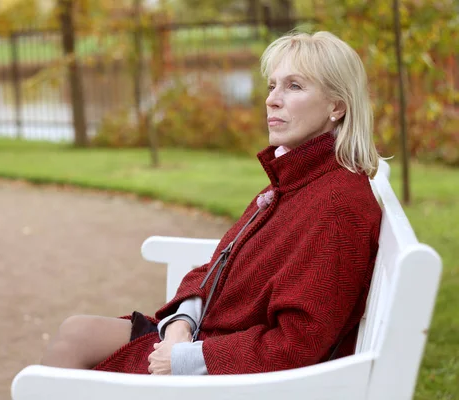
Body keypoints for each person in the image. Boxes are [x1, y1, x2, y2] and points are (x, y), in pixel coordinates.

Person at [40, 30, 382, 375]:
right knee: (76, 332)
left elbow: (296, 345)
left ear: (336, 106)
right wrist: (180, 326)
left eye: (294, 86)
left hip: (226, 374)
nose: (272, 99)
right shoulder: (293, 182)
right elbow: (219, 264)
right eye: (272, 86)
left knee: (69, 353)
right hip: (203, 337)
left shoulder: (337, 205)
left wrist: (181, 358)